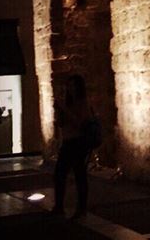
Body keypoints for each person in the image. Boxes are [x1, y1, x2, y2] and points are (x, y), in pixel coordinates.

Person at [51, 75, 92, 219]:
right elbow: (62, 124)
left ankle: (81, 208)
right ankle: (59, 206)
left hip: (78, 142)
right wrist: (59, 111)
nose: (71, 89)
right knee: (59, 174)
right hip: (67, 142)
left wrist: (65, 109)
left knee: (79, 175)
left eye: (73, 86)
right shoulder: (68, 103)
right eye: (69, 86)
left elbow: (80, 123)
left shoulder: (83, 103)